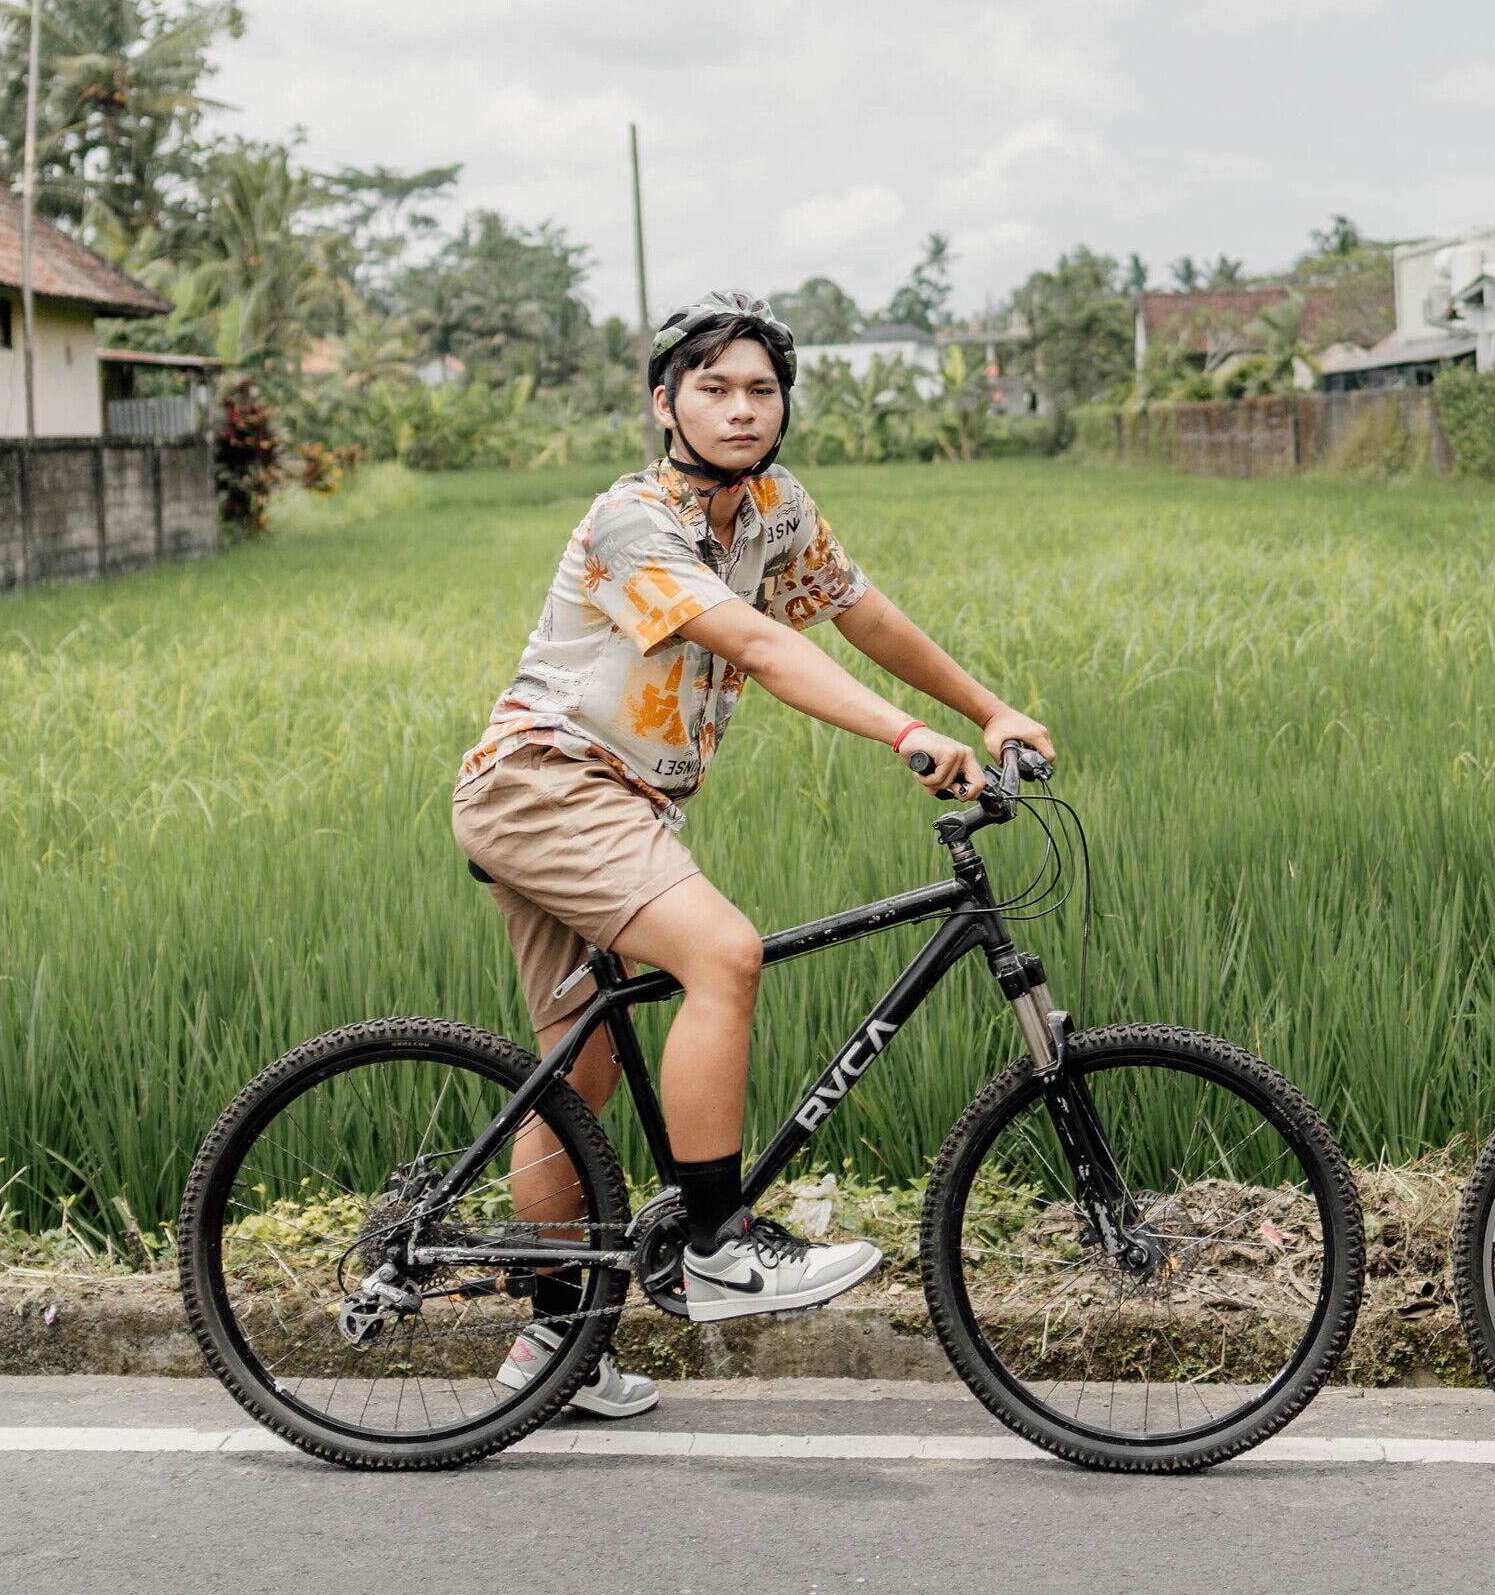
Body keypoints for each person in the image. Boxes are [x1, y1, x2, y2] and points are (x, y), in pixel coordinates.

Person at [452, 291, 1055, 1417]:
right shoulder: (635, 517)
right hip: (546, 786)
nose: (740, 410)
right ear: (665, 402)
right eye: (714, 388)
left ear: (784, 408)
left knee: (572, 1084)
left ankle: (552, 1349)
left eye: (761, 390)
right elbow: (759, 642)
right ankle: (717, 1246)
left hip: (608, 806)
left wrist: (986, 708)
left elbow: (858, 612)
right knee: (723, 956)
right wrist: (906, 733)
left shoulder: (777, 511)